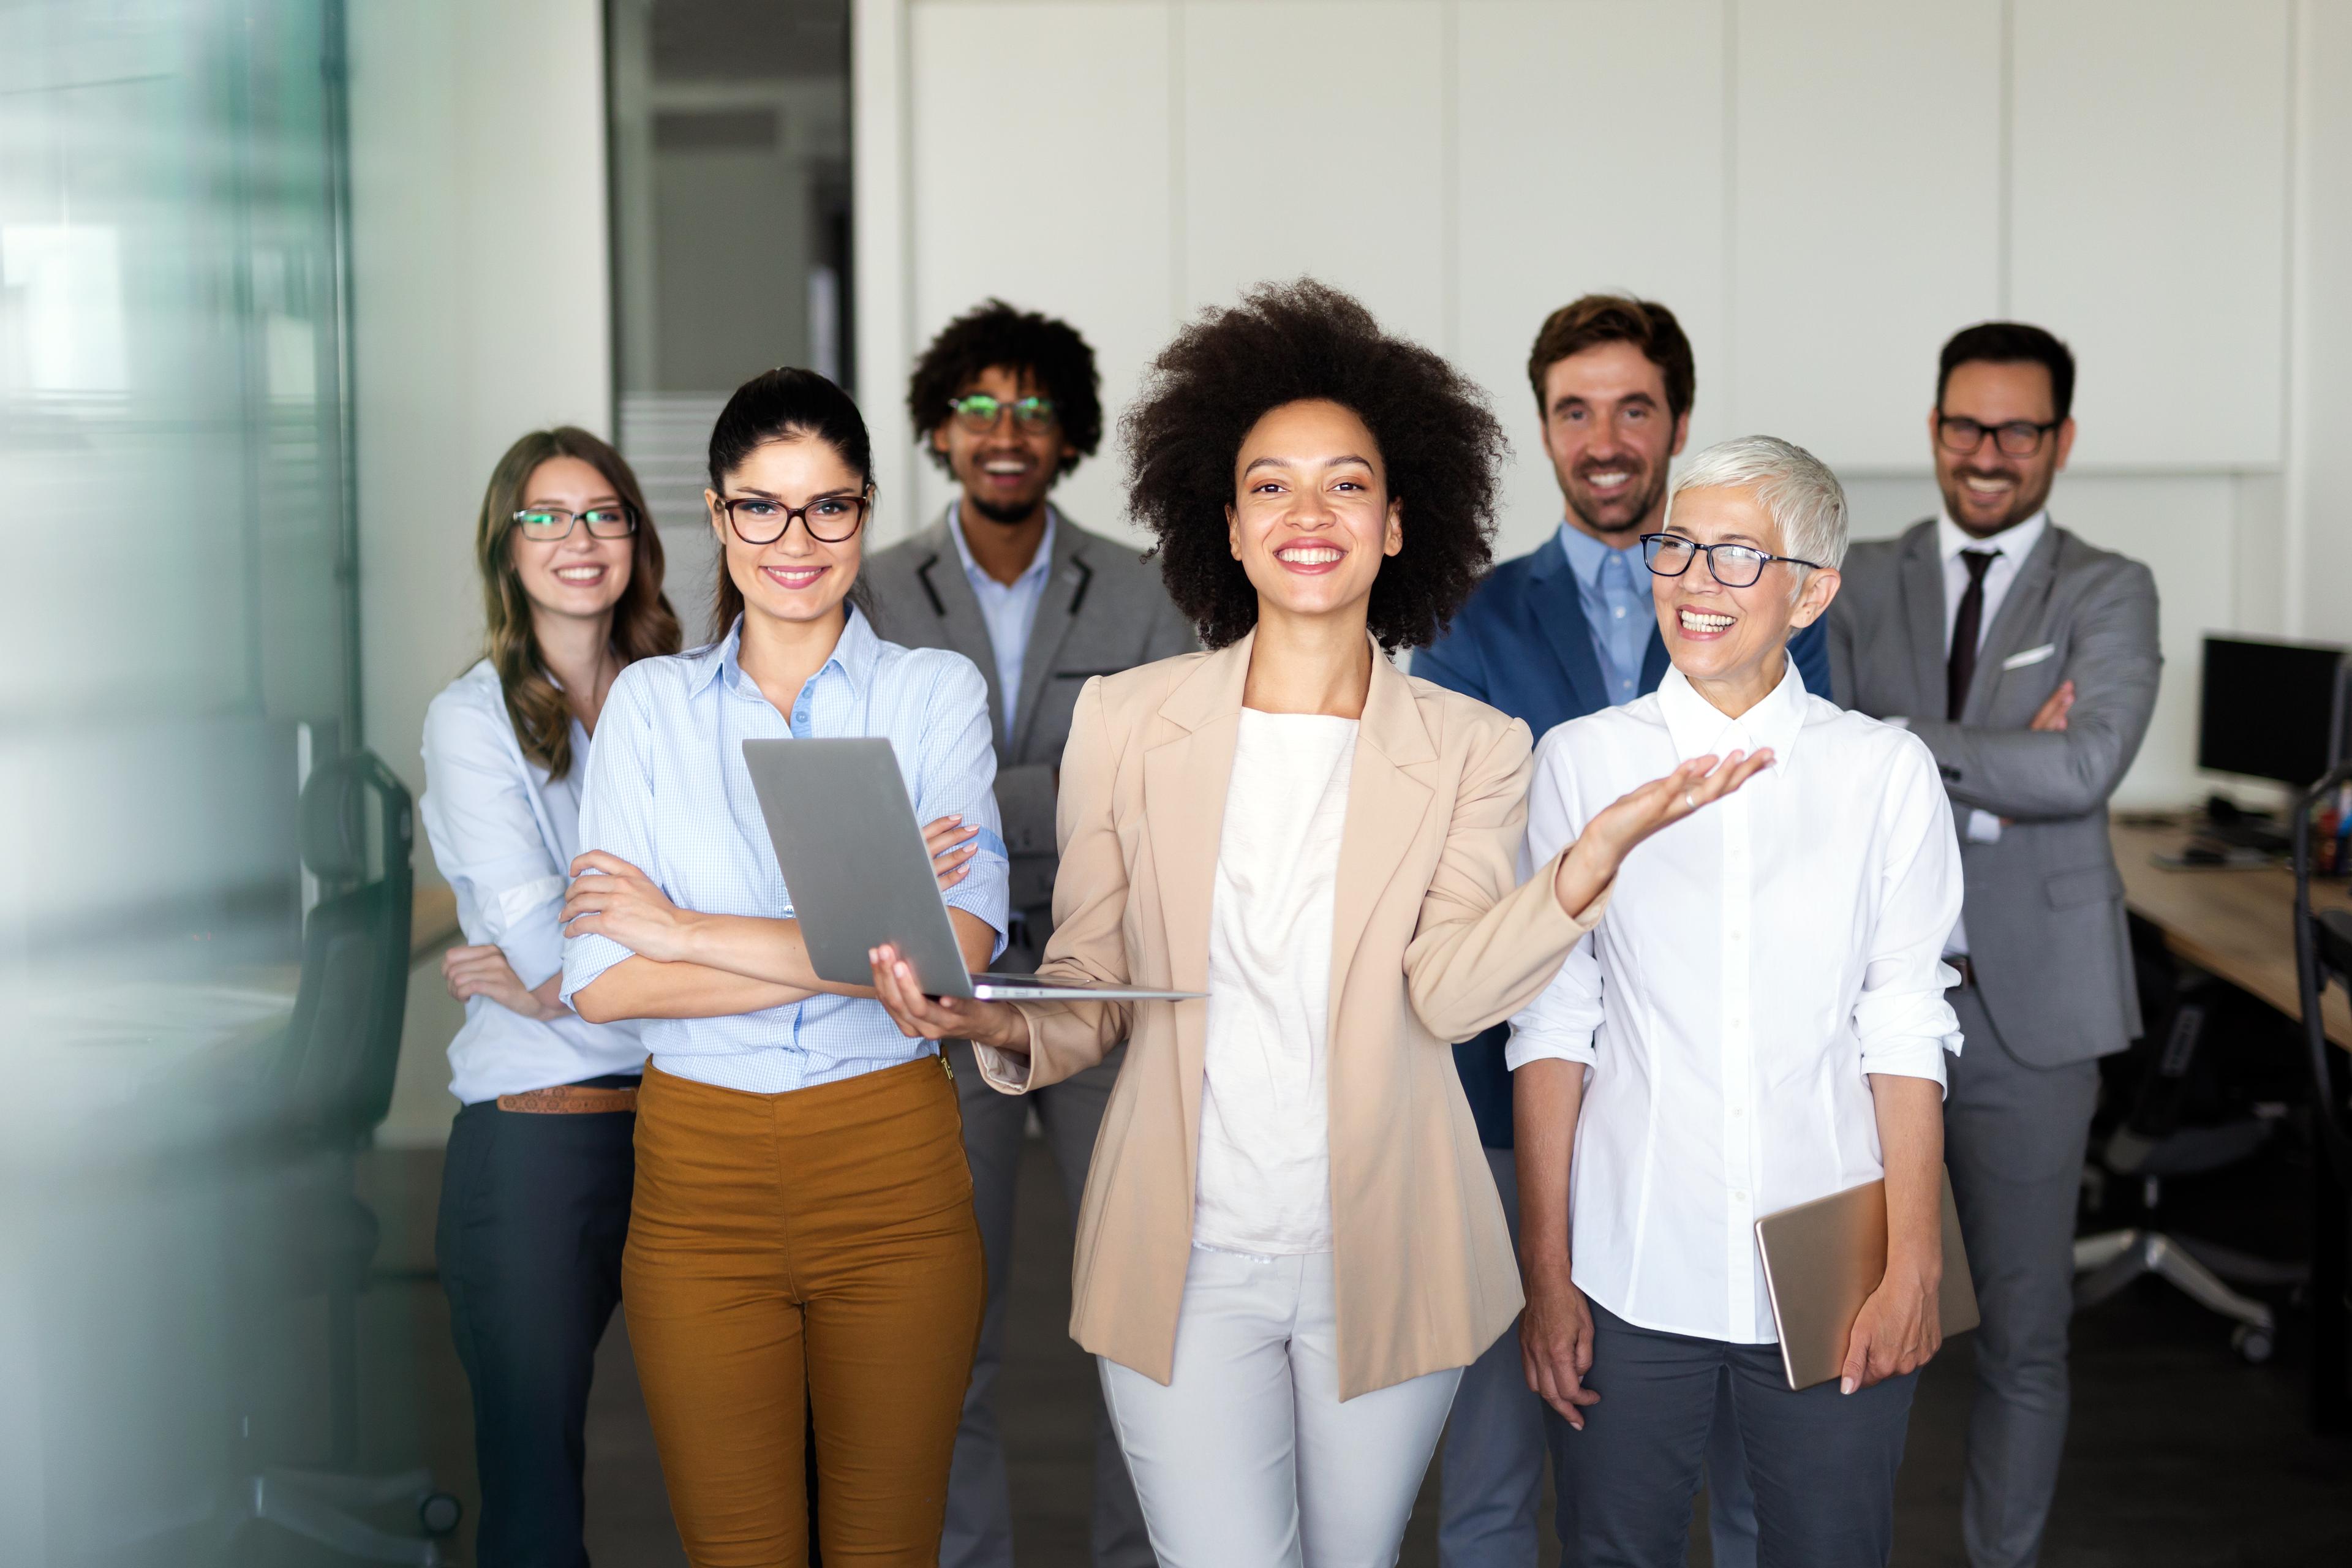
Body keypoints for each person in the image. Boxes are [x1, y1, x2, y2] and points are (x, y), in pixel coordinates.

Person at [864, 281, 1762, 1568]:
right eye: (1270, 485)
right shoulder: (1127, 720)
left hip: (1386, 1249)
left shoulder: (1474, 744)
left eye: (1346, 485)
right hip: (1186, 1253)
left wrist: (1582, 866)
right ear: (1224, 524)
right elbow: (1092, 981)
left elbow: (1449, 995)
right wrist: (995, 1017)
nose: (1308, 513)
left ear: (1399, 524)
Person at [556, 368, 1009, 1566]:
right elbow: (604, 978)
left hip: (894, 1175)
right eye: (761, 507)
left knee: (887, 1547)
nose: (795, 541)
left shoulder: (932, 694)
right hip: (698, 1188)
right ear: (715, 516)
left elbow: (953, 957)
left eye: (829, 507)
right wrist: (866, 937)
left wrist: (689, 930)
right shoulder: (648, 709)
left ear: (864, 511)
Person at [1412, 293, 1828, 1567]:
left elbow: (1822, 826)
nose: (1605, 438)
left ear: (1680, 424)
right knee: (1495, 1465)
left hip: (1758, 1106)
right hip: (1507, 1094)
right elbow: (1458, 863)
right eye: (1575, 409)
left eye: (1634, 407)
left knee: (1768, 1481)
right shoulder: (1468, 617)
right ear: (1543, 428)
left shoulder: (1780, 599)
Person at [1512, 434, 1964, 1568]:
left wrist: (1914, 1265)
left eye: (1735, 558)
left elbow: (1904, 1024)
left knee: (1830, 1549)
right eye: (1678, 547)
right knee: (1617, 1550)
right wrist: (1549, 1276)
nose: (1693, 582)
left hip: (1833, 1256)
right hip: (1629, 1252)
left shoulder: (1882, 774)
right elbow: (1555, 1027)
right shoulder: (1578, 762)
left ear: (1812, 593)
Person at [862, 300, 1191, 1568]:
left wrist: (965, 801)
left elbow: (1165, 784)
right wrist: (1062, 789)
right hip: (938, 989)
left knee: (1135, 1315)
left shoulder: (1150, 590)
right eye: (983, 408)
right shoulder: (877, 588)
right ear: (943, 430)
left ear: (1070, 436)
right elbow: (857, 783)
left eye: (1035, 410)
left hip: (1109, 975)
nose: (1008, 433)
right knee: (953, 1321)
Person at [1827, 323, 2160, 1568]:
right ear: (1933, 428)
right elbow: (1824, 750)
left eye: (2019, 429)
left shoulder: (2109, 586)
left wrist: (1895, 738)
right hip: (1866, 1008)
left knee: (2025, 1337)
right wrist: (1995, 747)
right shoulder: (1861, 574)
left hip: (2035, 1014)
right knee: (1844, 1316)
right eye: (1967, 424)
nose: (1989, 453)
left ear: (2060, 442)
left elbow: (2085, 764)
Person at [422, 426, 680, 1568]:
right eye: (546, 517)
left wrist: (569, 980)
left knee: (757, 1466)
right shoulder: (471, 719)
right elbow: (542, 950)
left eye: (604, 514)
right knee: (535, 1502)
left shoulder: (687, 695)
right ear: (507, 546)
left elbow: (770, 905)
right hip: (542, 1140)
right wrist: (708, 967)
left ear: (637, 538)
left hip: (694, 1120)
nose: (578, 540)